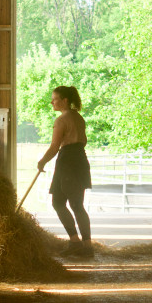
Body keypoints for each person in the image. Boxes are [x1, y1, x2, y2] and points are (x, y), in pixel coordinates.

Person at [38, 84, 93, 256]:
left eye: (54, 99)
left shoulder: (61, 120)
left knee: (58, 203)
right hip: (80, 159)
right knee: (77, 205)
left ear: (65, 100)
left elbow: (55, 146)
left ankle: (76, 242)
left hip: (68, 161)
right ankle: (87, 245)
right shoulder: (78, 117)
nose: (52, 102)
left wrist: (42, 162)